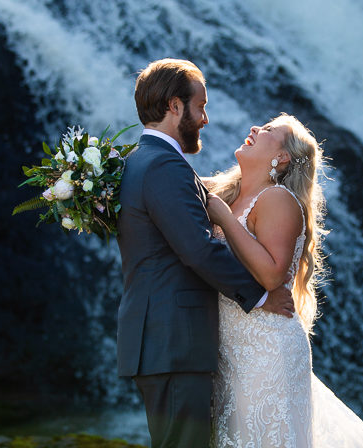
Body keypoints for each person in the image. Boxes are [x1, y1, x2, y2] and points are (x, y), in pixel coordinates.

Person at [115, 58, 294, 448]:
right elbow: (197, 251)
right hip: (173, 342)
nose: (205, 119)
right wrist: (261, 296)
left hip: (162, 340)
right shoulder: (163, 165)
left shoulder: (140, 161)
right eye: (201, 106)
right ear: (174, 107)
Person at [205, 114, 363, 447]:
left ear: (283, 157)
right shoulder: (228, 194)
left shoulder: (277, 199)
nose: (254, 130)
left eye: (268, 131)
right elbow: (175, 180)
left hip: (266, 350)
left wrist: (222, 217)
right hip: (233, 352)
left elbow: (272, 274)